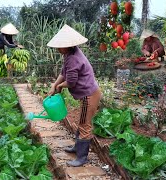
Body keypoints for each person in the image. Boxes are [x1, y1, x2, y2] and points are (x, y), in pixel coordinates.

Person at [47, 25, 101, 167]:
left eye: (60, 46)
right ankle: (77, 147)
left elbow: (71, 82)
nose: (58, 49)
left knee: (85, 125)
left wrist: (59, 87)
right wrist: (55, 84)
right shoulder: (70, 54)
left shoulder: (73, 58)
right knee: (82, 121)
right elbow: (63, 73)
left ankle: (82, 157)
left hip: (89, 95)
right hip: (88, 93)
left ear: (68, 45)